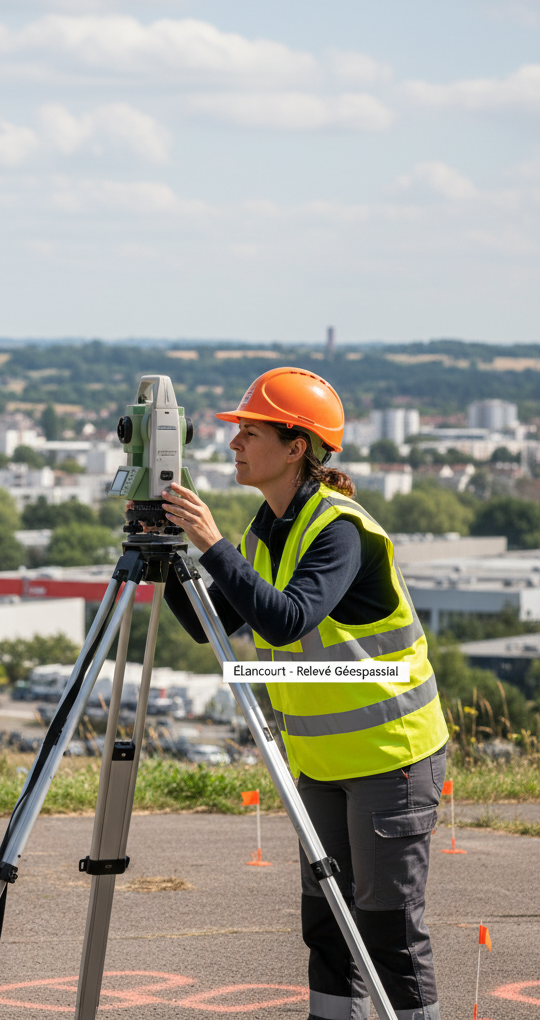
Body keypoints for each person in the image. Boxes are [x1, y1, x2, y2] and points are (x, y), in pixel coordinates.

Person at [159, 367, 448, 1020]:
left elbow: (286, 620)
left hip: (391, 758)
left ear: (296, 447)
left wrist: (212, 543)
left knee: (388, 933)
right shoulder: (268, 527)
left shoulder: (338, 530)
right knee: (327, 926)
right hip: (320, 762)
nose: (234, 444)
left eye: (250, 433)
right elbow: (211, 625)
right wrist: (169, 553)